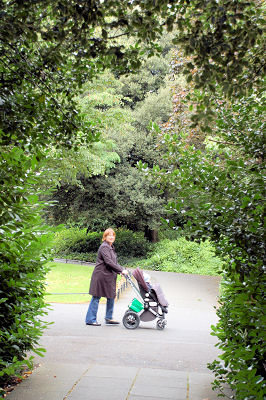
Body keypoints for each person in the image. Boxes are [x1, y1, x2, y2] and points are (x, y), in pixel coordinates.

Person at [85, 228, 128, 326]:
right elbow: (108, 262)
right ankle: (90, 319)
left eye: (113, 235)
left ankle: (109, 317)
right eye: (109, 235)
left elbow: (114, 263)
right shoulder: (104, 247)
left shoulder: (111, 247)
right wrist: (121, 270)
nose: (112, 237)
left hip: (109, 276)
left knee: (111, 296)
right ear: (105, 237)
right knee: (96, 296)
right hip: (101, 276)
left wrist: (121, 270)